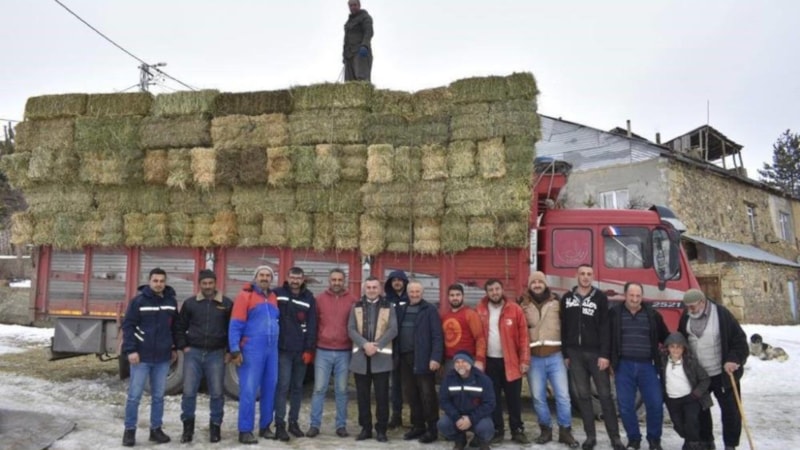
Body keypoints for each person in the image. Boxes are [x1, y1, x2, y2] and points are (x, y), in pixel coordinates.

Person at [561, 264, 624, 450]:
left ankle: (615, 438)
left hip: (596, 354)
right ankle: (590, 437)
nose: (585, 277)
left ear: (593, 276)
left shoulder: (600, 298)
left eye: (589, 274)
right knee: (583, 396)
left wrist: (605, 354)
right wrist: (566, 353)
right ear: (576, 276)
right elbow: (563, 328)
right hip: (575, 354)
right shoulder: (567, 299)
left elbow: (606, 328)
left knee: (605, 396)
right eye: (582, 274)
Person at [678, 289, 749, 450]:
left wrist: (733, 359)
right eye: (687, 307)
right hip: (700, 376)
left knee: (730, 411)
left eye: (693, 306)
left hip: (722, 373)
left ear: (703, 302)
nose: (690, 310)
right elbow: (683, 340)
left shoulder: (721, 315)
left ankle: (730, 445)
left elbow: (740, 341)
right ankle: (706, 442)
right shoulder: (686, 317)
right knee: (701, 410)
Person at [517, 271, 579, 448]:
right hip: (534, 358)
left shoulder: (557, 302)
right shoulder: (522, 305)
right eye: (533, 282)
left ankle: (565, 431)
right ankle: (545, 430)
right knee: (538, 397)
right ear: (529, 285)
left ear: (545, 284)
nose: (537, 284)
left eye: (540, 281)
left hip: (555, 356)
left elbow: (568, 326)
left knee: (563, 396)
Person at [121, 267, 179, 447]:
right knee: (134, 396)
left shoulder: (171, 301)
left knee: (158, 396)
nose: (159, 284)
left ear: (165, 282)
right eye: (155, 281)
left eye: (162, 281)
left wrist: (174, 347)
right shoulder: (138, 301)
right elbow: (128, 326)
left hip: (162, 358)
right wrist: (131, 350)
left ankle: (156, 430)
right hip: (141, 357)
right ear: (149, 281)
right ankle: (129, 431)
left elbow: (175, 327)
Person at [609, 282, 670, 450]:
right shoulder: (614, 313)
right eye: (631, 295)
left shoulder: (652, 314)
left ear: (642, 297)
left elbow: (666, 337)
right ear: (625, 295)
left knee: (655, 403)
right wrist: (609, 360)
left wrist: (678, 347)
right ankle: (634, 439)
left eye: (638, 296)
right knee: (626, 406)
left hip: (647, 366)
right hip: (624, 366)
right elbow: (608, 338)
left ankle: (654, 440)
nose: (635, 299)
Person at [175, 269, 233, 444]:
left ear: (216, 283)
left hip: (216, 354)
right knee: (189, 392)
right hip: (193, 353)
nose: (208, 286)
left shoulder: (226, 303)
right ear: (199, 284)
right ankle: (187, 429)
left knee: (216, 393)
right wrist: (183, 346)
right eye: (204, 283)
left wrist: (230, 350)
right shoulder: (190, 303)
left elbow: (233, 329)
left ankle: (215, 427)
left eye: (211, 283)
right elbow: (179, 326)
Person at [228, 265, 280, 445]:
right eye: (261, 275)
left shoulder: (273, 297)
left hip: (271, 350)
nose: (265, 278)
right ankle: (245, 430)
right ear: (255, 277)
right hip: (252, 349)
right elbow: (235, 324)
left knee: (269, 388)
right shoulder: (245, 296)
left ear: (271, 279)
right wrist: (235, 349)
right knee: (249, 390)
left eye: (268, 275)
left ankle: (265, 426)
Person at [475, 278, 530, 445]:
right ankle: (498, 430)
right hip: (489, 362)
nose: (494, 293)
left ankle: (517, 430)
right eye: (491, 290)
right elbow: (476, 337)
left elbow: (524, 337)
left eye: (497, 289)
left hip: (511, 361)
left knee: (514, 398)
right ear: (487, 293)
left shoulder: (515, 309)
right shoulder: (480, 310)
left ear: (502, 290)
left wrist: (524, 360)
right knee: (494, 399)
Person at [307, 268, 359, 438]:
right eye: (333, 280)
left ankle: (341, 426)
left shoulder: (353, 301)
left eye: (339, 280)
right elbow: (313, 324)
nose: (336, 283)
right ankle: (314, 425)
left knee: (342, 390)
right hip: (323, 350)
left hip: (344, 351)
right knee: (319, 389)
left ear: (344, 281)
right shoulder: (319, 300)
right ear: (329, 281)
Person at [348, 276, 398, 442]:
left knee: (382, 397)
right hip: (361, 359)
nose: (371, 290)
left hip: (381, 359)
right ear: (364, 289)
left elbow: (393, 329)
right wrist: (364, 345)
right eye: (368, 287)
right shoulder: (356, 306)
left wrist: (376, 346)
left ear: (380, 289)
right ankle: (366, 428)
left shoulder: (389, 306)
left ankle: (381, 429)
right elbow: (351, 329)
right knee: (362, 397)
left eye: (374, 287)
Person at [395, 280, 443, 444]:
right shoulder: (402, 309)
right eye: (412, 292)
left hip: (423, 357)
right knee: (411, 394)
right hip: (404, 358)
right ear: (407, 293)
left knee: (427, 394)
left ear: (422, 293)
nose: (414, 295)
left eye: (417, 292)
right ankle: (418, 426)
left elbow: (437, 336)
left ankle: (432, 428)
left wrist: (435, 358)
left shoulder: (429, 310)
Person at [273, 266, 317, 441]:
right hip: (283, 350)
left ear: (303, 279)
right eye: (292, 277)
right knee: (283, 387)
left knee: (297, 389)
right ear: (287, 277)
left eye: (298, 278)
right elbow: (261, 296)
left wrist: (309, 350)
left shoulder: (309, 298)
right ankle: (279, 425)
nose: (295, 281)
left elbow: (313, 325)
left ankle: (294, 423)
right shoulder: (278, 293)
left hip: (300, 352)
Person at [661, 332, 712, 450]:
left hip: (690, 398)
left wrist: (696, 394)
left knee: (692, 421)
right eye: (672, 346)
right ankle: (690, 440)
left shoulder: (690, 362)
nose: (675, 350)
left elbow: (705, 379)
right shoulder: (663, 362)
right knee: (678, 425)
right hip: (672, 399)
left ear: (684, 348)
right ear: (667, 348)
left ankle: (693, 444)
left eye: (679, 347)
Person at [438, 350, 496, 450]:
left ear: (470, 363)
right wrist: (457, 417)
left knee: (485, 428)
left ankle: (481, 441)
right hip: (457, 417)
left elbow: (490, 403)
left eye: (464, 361)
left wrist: (471, 419)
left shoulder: (483, 379)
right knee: (443, 424)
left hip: (477, 417)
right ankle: (460, 439)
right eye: (457, 362)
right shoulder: (448, 379)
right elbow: (444, 401)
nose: (461, 365)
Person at [441, 284, 486, 374]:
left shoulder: (470, 314)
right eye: (452, 295)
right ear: (448, 297)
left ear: (463, 296)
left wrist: (479, 360)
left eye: (458, 295)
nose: (455, 298)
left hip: (468, 360)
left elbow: (480, 338)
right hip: (450, 361)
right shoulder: (444, 316)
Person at [384, 269, 409, 428]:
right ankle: (396, 415)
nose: (397, 283)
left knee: (412, 385)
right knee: (395, 385)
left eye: (400, 280)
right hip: (391, 349)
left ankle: (416, 416)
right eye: (394, 280)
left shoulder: (412, 299)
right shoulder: (386, 301)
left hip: (408, 349)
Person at [343, 0, 373, 82]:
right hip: (349, 54)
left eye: (355, 5)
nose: (353, 7)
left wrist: (365, 45)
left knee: (361, 79)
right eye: (351, 6)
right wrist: (344, 55)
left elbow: (369, 32)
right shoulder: (348, 23)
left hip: (360, 52)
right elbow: (346, 40)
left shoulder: (365, 17)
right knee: (349, 83)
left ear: (359, 5)